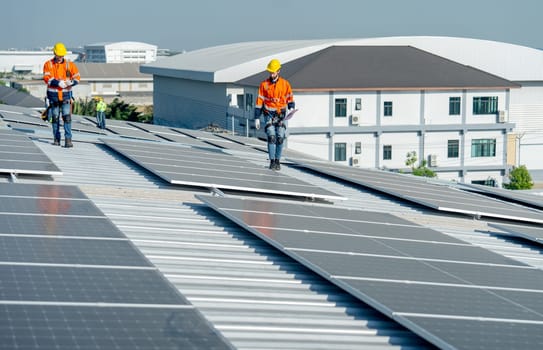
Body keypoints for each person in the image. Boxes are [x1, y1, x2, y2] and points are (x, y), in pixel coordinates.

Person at [254, 58, 295, 171]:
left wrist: (291, 108)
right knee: (271, 136)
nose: (271, 74)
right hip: (268, 114)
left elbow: (290, 98)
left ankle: (278, 161)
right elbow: (259, 102)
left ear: (278, 71)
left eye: (273, 72)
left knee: (280, 137)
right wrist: (257, 117)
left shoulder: (285, 84)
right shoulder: (264, 85)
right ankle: (272, 161)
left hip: (281, 114)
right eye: (270, 72)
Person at [43, 42, 80, 147]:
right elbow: (47, 78)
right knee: (55, 118)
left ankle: (68, 140)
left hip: (66, 96)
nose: (60, 57)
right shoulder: (48, 64)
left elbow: (77, 77)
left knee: (67, 118)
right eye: (59, 55)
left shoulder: (69, 65)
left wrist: (72, 82)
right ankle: (56, 139)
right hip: (53, 97)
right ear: (54, 53)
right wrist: (58, 83)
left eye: (62, 55)